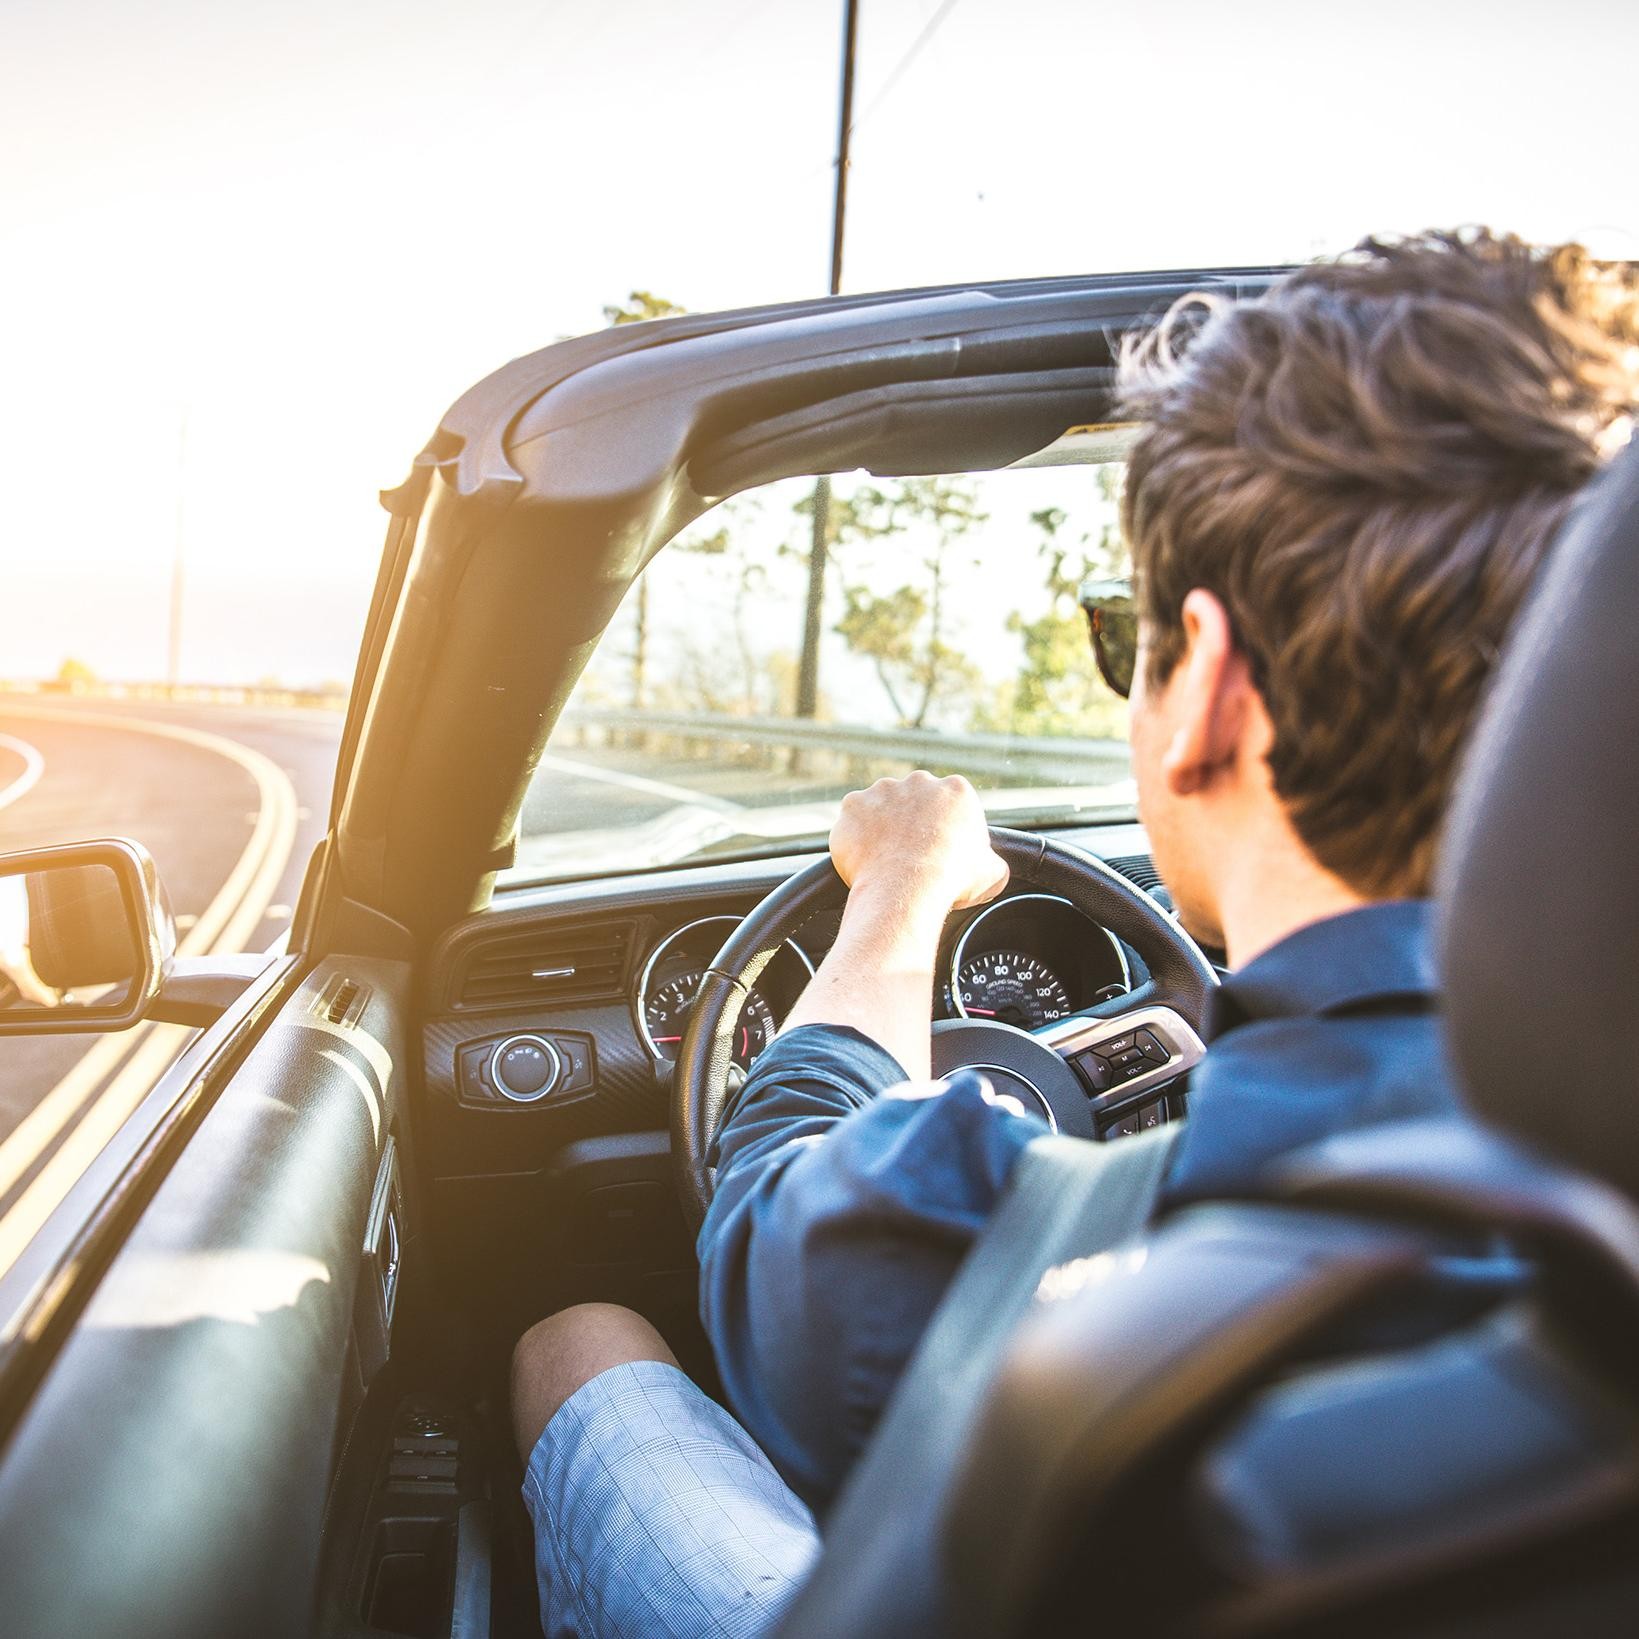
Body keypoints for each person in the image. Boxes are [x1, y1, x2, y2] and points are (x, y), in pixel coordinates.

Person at [509, 230, 1639, 1637]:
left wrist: (903, 890)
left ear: (1209, 685)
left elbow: (773, 1190)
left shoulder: (997, 1251)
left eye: (1132, 639)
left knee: (581, 1343)